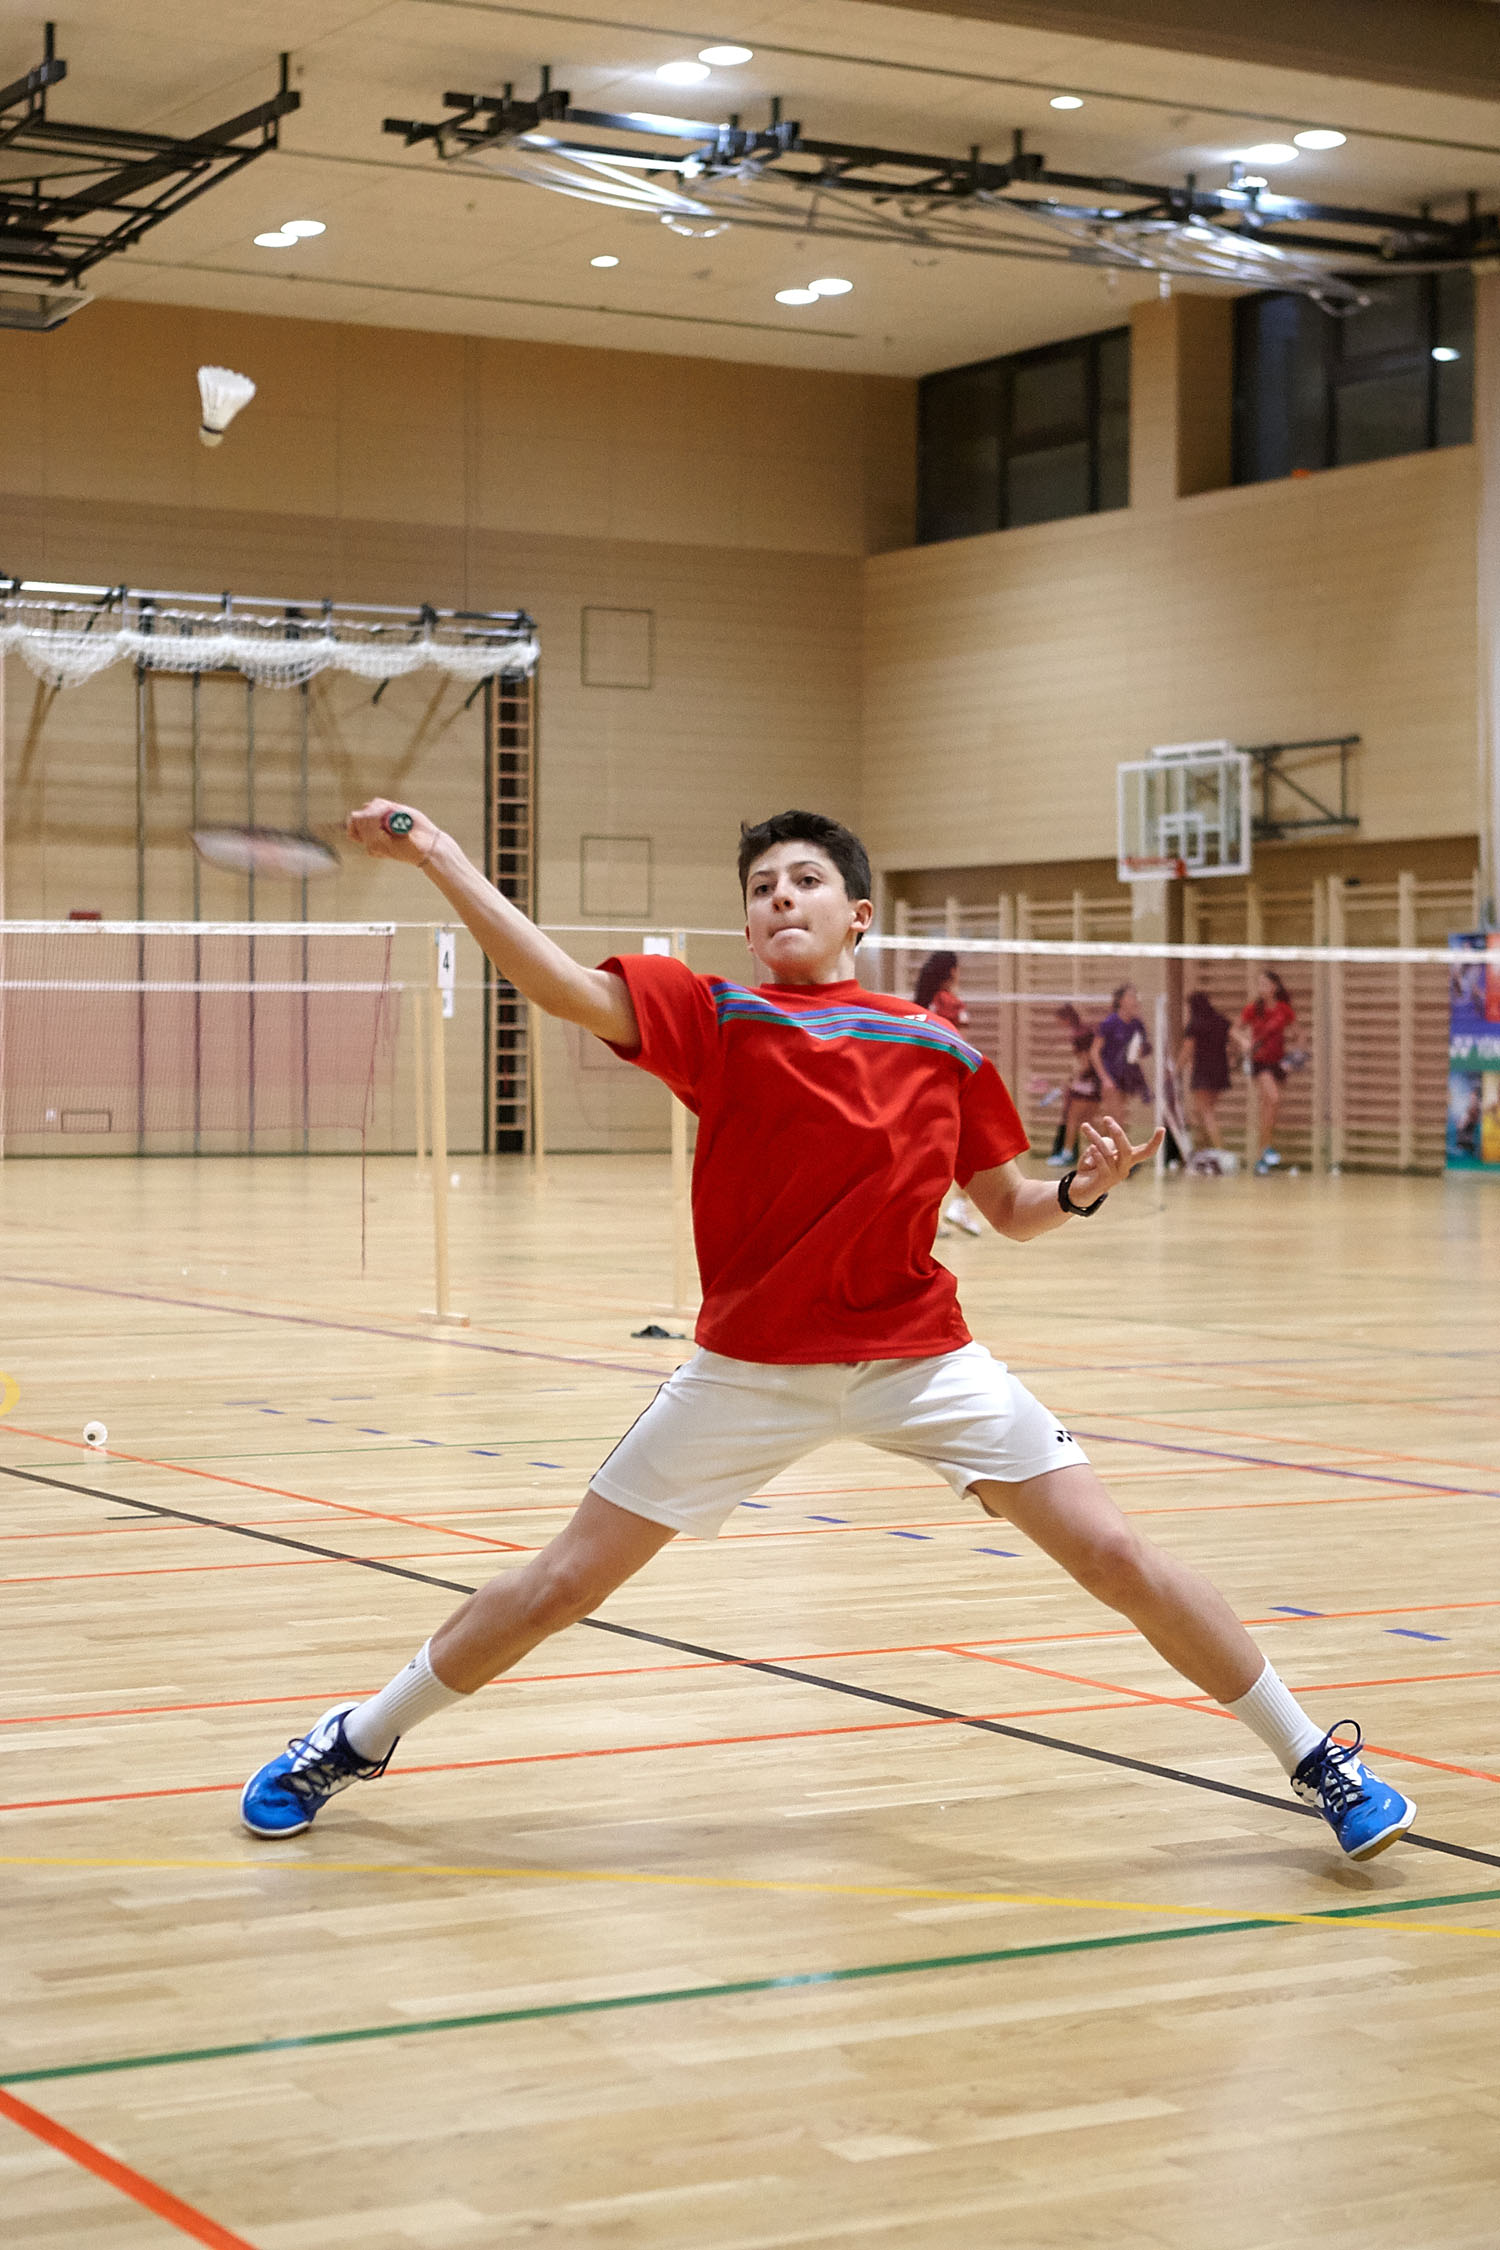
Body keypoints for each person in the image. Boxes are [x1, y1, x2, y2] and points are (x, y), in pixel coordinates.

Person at [239, 804, 1415, 1865]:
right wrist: (441, 856)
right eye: (761, 889)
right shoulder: (716, 1015)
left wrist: (1083, 1191)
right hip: (750, 1372)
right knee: (561, 1584)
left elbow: (1010, 1211)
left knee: (1117, 1557)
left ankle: (1320, 1762)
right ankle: (355, 1737)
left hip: (922, 1360)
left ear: (859, 913)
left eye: (803, 880)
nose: (778, 899)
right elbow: (555, 983)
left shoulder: (942, 1049)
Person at [914, 948, 981, 1235]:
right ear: (952, 971)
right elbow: (960, 1049)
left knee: (927, 1154)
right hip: (947, 1086)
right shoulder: (952, 1004)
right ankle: (958, 1207)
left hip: (919, 1085)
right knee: (969, 1147)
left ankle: (932, 1216)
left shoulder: (921, 1003)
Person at [1235, 970, 1298, 1176]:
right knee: (1273, 1098)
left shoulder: (1283, 1010)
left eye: (1265, 984)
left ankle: (1262, 1155)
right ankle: (1265, 1151)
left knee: (1269, 1110)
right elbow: (1234, 1030)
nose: (1261, 988)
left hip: (1278, 1063)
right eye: (1259, 984)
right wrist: (1244, 1041)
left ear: (1274, 987)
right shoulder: (1253, 1009)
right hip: (1260, 1062)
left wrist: (1293, 1059)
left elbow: (1299, 1036)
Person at [1092, 981, 1152, 1139]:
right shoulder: (1110, 1023)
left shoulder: (1137, 1024)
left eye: (1135, 996)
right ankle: (1114, 1150)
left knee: (1113, 1119)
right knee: (1116, 1118)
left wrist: (1141, 1050)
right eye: (1130, 996)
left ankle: (1099, 1147)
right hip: (1110, 1075)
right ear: (1121, 1000)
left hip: (1126, 1075)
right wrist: (1104, 1078)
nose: (1135, 1000)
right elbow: (1094, 1052)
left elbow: (1143, 1049)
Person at [1047, 1003, 1102, 1170]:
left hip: (1086, 1082)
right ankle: (1104, 1150)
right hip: (1096, 1083)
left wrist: (1072, 1080)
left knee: (1073, 1118)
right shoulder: (1086, 1031)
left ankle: (1067, 1153)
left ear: (1066, 1019)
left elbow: (1086, 1063)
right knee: (1089, 1121)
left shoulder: (1079, 1035)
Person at [1177, 989, 1232, 1149]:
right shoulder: (1220, 1020)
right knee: (1200, 1112)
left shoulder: (1195, 1025)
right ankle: (1204, 1149)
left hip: (1203, 1072)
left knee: (1206, 1113)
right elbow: (1235, 1039)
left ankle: (1220, 1151)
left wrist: (1176, 1070)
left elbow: (1187, 1050)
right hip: (1220, 1071)